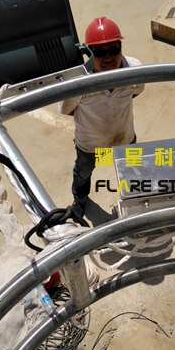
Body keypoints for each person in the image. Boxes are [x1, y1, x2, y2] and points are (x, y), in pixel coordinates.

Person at [58, 17, 144, 216]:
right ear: (89, 53)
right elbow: (67, 109)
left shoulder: (134, 69)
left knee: (129, 170)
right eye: (99, 53)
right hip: (91, 146)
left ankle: (134, 198)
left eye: (113, 50)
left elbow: (136, 91)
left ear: (121, 48)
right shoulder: (78, 82)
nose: (107, 58)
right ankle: (80, 199)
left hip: (124, 140)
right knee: (83, 173)